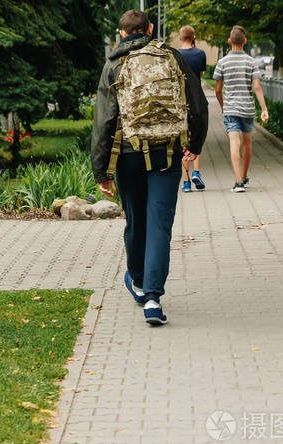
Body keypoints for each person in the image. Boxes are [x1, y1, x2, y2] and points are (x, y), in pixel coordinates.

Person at [91, 10, 208, 326]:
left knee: (136, 220)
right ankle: (153, 300)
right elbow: (198, 104)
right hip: (167, 155)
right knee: (159, 224)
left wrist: (101, 170)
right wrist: (194, 146)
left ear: (121, 32)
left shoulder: (113, 65)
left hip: (129, 155)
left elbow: (104, 120)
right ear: (150, 29)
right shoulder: (172, 57)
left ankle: (139, 282)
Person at [212, 25, 269, 193]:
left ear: (229, 41)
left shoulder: (222, 62)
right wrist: (264, 108)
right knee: (247, 143)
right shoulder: (251, 62)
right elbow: (257, 87)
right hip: (247, 109)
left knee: (234, 142)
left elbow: (217, 89)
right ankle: (244, 176)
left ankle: (238, 182)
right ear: (245, 41)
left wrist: (223, 105)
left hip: (230, 109)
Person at [177, 25, 207, 192]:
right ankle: (196, 171)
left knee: (184, 140)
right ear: (193, 36)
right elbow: (201, 74)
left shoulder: (175, 54)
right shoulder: (200, 53)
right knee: (197, 135)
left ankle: (186, 182)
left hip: (181, 101)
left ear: (181, 38)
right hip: (198, 100)